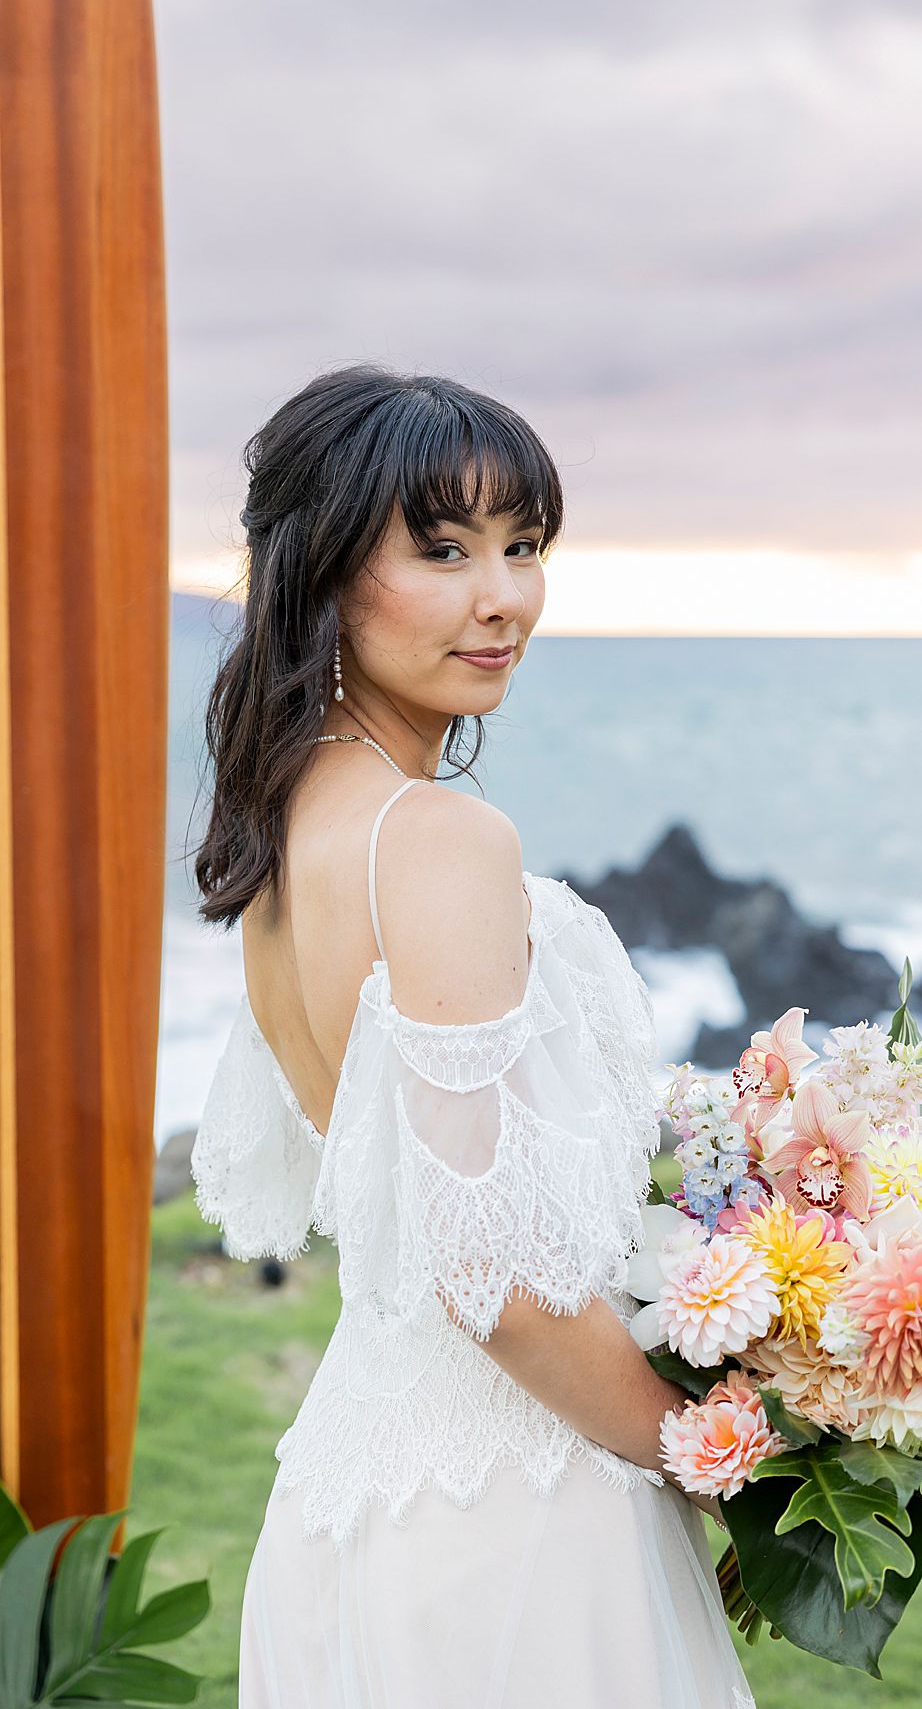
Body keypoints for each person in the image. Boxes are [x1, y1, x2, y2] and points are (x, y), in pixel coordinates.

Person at [189, 365, 757, 1707]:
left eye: (524, 548)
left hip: (353, 1490)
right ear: (325, 570)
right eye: (443, 551)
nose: (502, 597)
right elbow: (489, 1276)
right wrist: (724, 1457)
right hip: (514, 1508)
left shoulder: (284, 840)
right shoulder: (436, 839)